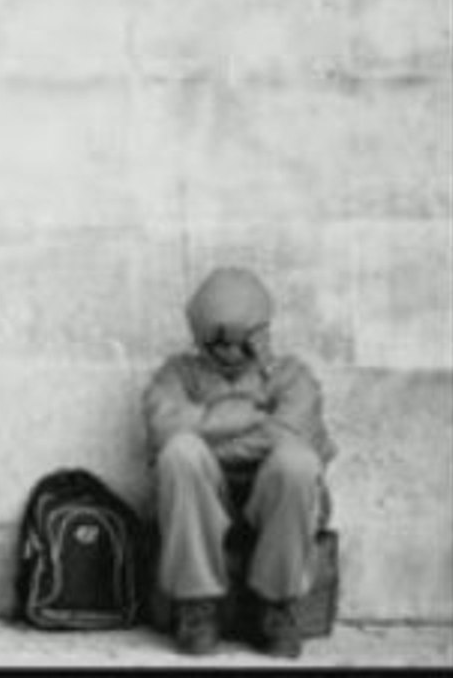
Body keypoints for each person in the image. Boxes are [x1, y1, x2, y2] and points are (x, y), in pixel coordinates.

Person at [141, 266, 336, 659]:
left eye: (239, 343)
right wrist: (242, 419)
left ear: (260, 334)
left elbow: (291, 435)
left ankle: (274, 606)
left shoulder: (293, 377)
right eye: (219, 345)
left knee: (296, 463)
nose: (230, 354)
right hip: (200, 500)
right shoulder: (176, 375)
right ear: (200, 338)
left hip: (275, 500)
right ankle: (197, 606)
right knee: (180, 453)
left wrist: (205, 430)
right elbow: (163, 429)